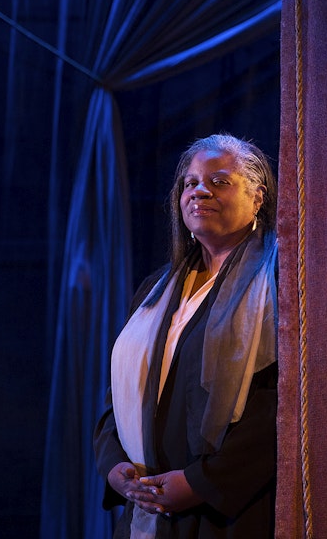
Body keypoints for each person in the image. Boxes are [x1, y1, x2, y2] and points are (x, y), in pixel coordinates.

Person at [94, 134, 278, 538]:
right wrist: (114, 467)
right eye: (190, 183)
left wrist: (200, 482)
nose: (199, 191)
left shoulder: (276, 286)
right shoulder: (155, 290)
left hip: (227, 511)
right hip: (148, 503)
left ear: (258, 198)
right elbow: (117, 393)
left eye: (219, 181)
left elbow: (281, 405)